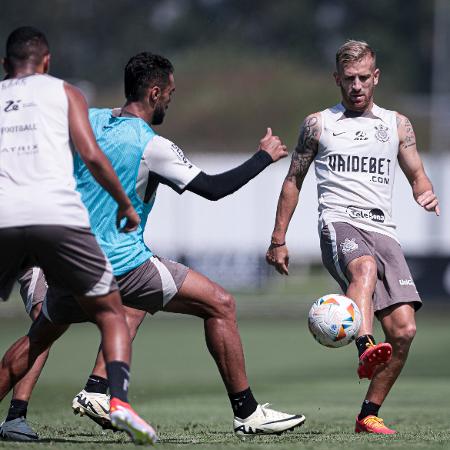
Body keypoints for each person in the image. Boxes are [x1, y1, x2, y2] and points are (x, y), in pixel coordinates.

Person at [0, 51, 306, 441]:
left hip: (70, 262)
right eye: (170, 95)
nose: (170, 103)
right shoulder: (152, 145)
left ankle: (95, 389)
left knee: (36, 339)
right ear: (155, 92)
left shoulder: (90, 119)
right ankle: (247, 412)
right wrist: (264, 157)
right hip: (122, 264)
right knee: (221, 304)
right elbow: (212, 189)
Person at [266, 40, 439, 434]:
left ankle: (368, 414)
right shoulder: (318, 124)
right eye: (349, 79)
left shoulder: (397, 124)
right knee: (363, 268)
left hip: (384, 229)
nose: (357, 86)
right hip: (339, 222)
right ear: (336, 80)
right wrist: (278, 238)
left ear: (375, 77)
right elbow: (294, 179)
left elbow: (417, 172)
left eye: (364, 78)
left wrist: (423, 190)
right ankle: (364, 345)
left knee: (404, 331)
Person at [0, 27, 159, 444]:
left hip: (4, 219)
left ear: (4, 66)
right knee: (114, 313)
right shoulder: (66, 94)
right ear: (47, 62)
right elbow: (91, 155)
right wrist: (125, 204)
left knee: (41, 329)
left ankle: (16, 413)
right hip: (57, 219)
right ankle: (117, 400)